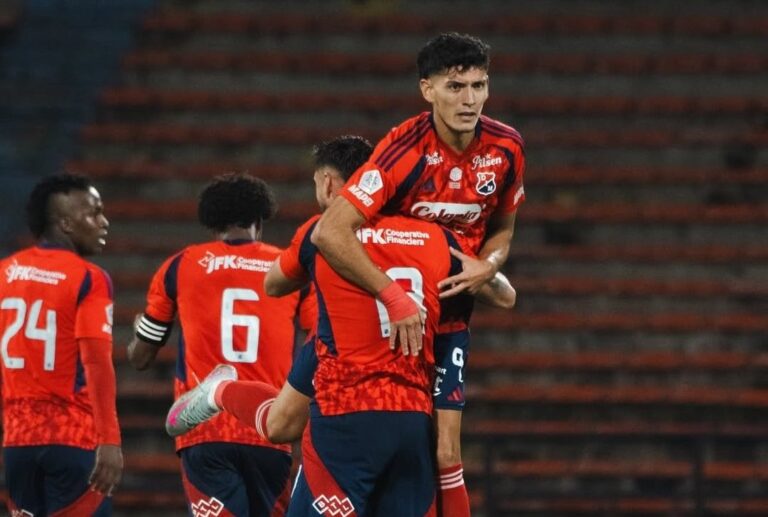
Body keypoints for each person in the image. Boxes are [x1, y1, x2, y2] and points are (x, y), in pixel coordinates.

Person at [164, 137, 516, 515]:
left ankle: (221, 391)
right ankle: (221, 391)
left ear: (330, 184)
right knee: (281, 424)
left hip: (344, 380)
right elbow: (505, 296)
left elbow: (273, 284)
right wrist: (484, 267)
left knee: (280, 424)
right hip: (401, 396)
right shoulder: (437, 238)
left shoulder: (321, 233)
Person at [310, 32, 525, 516]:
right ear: (426, 89)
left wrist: (486, 265)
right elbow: (332, 232)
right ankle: (223, 396)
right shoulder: (402, 150)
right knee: (288, 419)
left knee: (447, 452)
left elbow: (504, 228)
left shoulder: (507, 147)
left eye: (479, 85)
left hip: (450, 315)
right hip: (382, 313)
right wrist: (392, 294)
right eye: (455, 87)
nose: (469, 100)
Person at [126, 173, 308, 516]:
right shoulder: (289, 268)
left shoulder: (180, 265)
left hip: (203, 430)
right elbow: (318, 340)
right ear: (259, 220)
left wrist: (137, 336)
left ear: (213, 223)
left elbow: (141, 357)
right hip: (269, 425)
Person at [0, 173, 122, 516]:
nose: (103, 221)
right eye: (94, 213)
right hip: (74, 440)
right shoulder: (89, 278)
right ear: (65, 223)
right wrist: (110, 441)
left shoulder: (5, 272)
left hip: (18, 444)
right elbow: (97, 363)